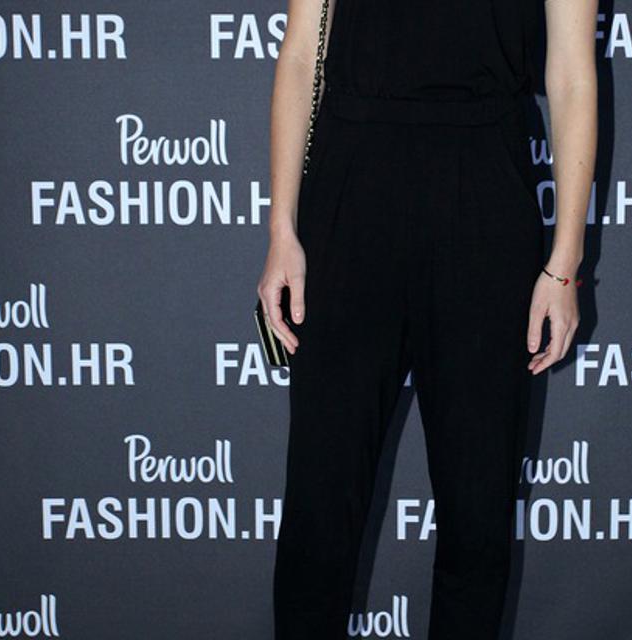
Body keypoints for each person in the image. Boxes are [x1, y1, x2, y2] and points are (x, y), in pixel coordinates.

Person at [258, 0, 597, 637]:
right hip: (350, 195)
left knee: (478, 516)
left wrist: (565, 262)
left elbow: (573, 75)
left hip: (486, 201)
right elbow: (302, 53)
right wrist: (282, 230)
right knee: (319, 510)